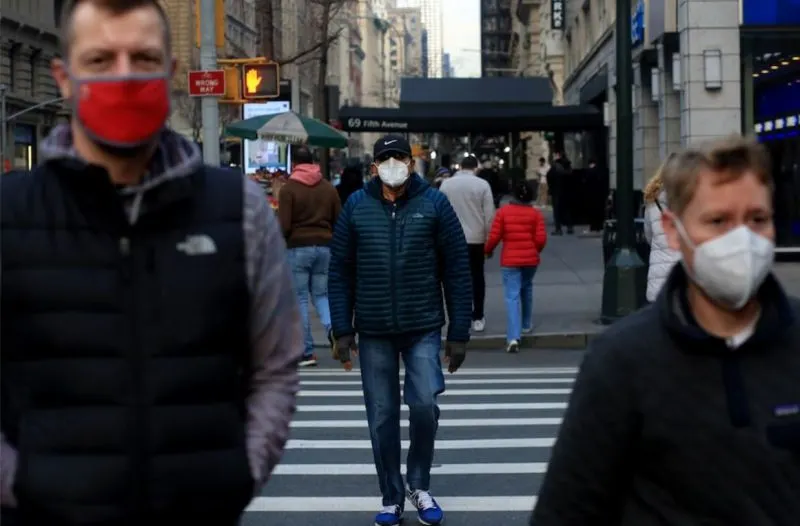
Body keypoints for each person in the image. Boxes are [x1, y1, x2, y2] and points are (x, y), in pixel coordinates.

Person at [0, 0, 304, 524]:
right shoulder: (8, 215)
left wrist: (238, 475)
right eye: (100, 60)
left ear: (170, 72)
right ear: (64, 76)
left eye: (142, 58)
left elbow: (275, 366)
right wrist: (23, 487)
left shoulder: (239, 208)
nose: (123, 76)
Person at [531, 135, 800, 525]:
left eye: (757, 219)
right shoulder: (621, 362)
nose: (742, 240)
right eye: (718, 221)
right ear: (674, 231)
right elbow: (568, 511)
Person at [328, 134, 473, 526]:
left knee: (425, 405)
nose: (392, 163)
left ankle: (418, 483)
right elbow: (339, 270)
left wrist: (459, 332)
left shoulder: (435, 203)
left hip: (423, 325)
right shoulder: (356, 206)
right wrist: (342, 329)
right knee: (382, 416)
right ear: (374, 167)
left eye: (399, 156)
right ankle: (391, 496)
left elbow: (457, 269)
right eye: (385, 157)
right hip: (373, 328)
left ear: (410, 163)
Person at [278, 145, 341, 366]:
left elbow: (284, 225)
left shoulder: (289, 189)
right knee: (322, 295)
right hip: (325, 246)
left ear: (294, 164)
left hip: (298, 247)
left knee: (300, 298)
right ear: (314, 163)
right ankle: (335, 330)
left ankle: (306, 351)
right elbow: (338, 220)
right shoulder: (328, 189)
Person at [484, 180, 547, 353]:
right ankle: (526, 324)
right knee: (526, 289)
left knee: (512, 296)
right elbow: (541, 239)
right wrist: (535, 250)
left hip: (510, 260)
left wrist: (487, 250)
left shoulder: (503, 213)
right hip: (530, 260)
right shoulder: (535, 215)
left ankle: (513, 336)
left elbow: (495, 236)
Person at [439, 155, 496, 332]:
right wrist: (489, 240)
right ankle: (477, 316)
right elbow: (489, 216)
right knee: (477, 278)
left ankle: (457, 316)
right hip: (476, 238)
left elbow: (438, 212)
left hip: (451, 239)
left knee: (453, 279)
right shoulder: (482, 185)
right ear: (476, 168)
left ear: (460, 167)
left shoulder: (446, 185)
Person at [643, 153, 681, 303]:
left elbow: (649, 236)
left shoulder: (653, 202)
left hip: (658, 279)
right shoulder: (690, 201)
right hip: (683, 279)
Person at [548, 151, 573, 235]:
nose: (553, 156)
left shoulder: (555, 166)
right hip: (566, 191)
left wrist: (551, 189)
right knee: (566, 209)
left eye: (554, 155)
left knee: (557, 211)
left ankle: (558, 229)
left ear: (558, 155)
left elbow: (549, 176)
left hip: (557, 191)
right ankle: (570, 227)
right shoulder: (567, 165)